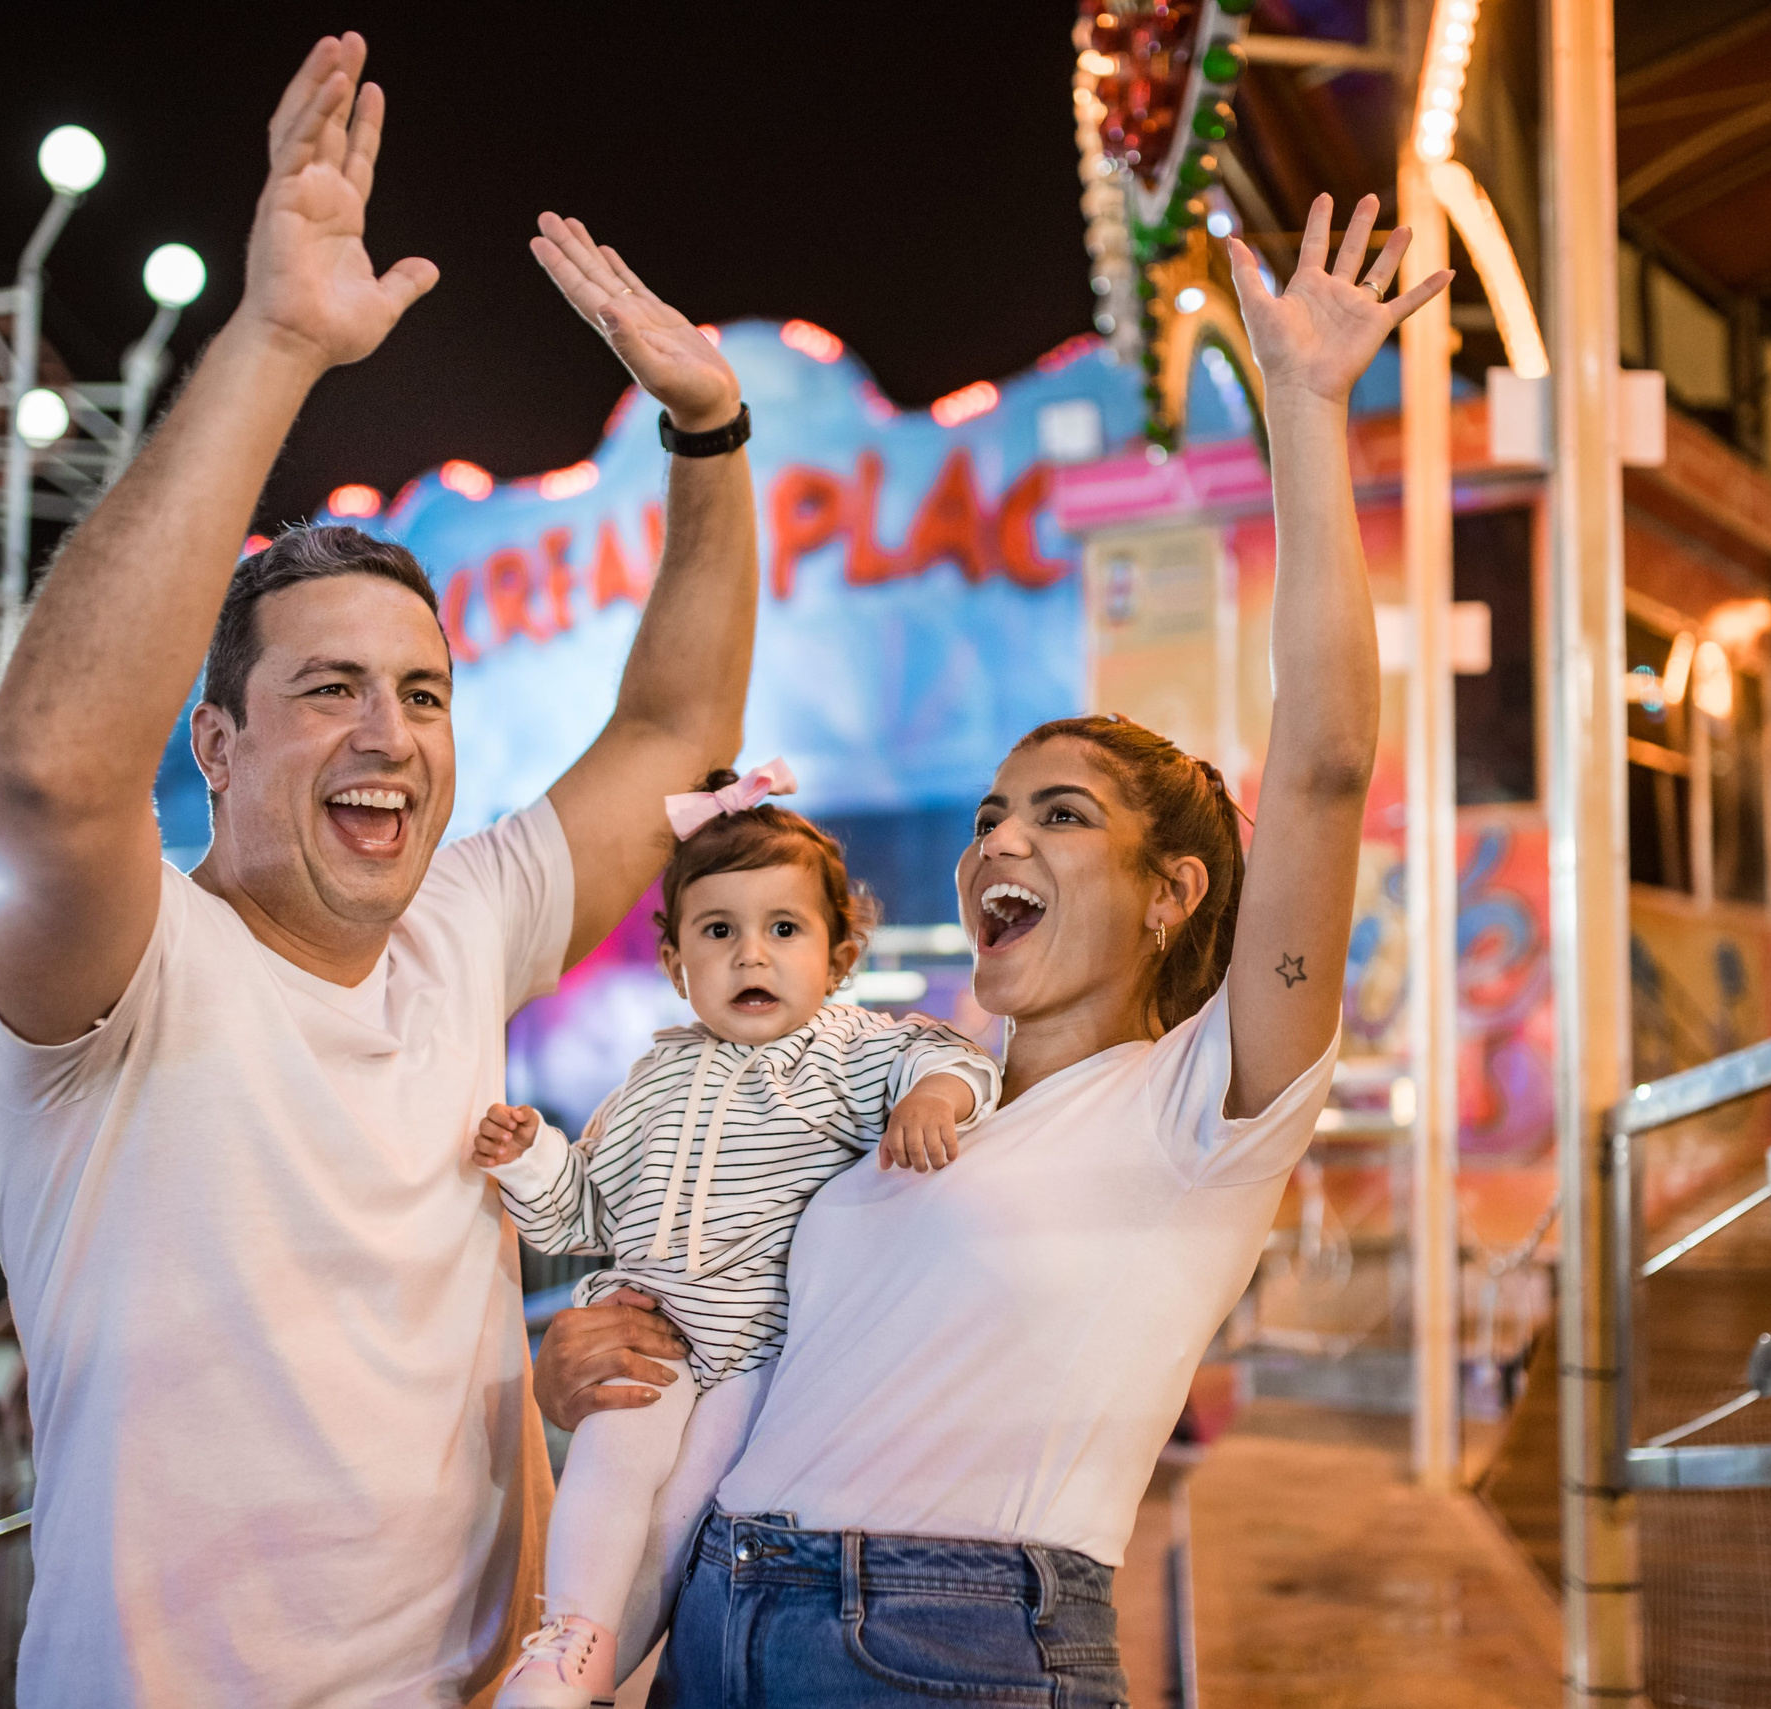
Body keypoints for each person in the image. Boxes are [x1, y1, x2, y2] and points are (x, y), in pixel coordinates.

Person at [534, 191, 1449, 1706]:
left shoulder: (1207, 1103)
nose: (997, 842)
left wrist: (1302, 404)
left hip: (941, 1644)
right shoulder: (873, 1092)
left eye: (1063, 816)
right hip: (718, 1618)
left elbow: (1329, 762)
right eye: (989, 813)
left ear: (1170, 892)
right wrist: (592, 1364)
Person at [0, 34, 755, 1705]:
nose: (389, 732)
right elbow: (44, 774)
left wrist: (711, 432)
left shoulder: (458, 929)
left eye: (421, 690)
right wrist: (274, 339)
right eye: (327, 688)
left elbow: (677, 724)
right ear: (219, 746)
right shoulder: (125, 971)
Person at [475, 766, 998, 1707]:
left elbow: (953, 1053)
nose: (751, 954)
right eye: (719, 932)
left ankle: (605, 1667)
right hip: (656, 1335)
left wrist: (935, 1094)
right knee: (610, 1462)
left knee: (678, 1523)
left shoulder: (851, 1052)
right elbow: (582, 1215)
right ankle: (568, 1642)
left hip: (764, 1357)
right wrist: (531, 1160)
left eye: (783, 929)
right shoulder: (651, 1080)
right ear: (678, 963)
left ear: (838, 956)